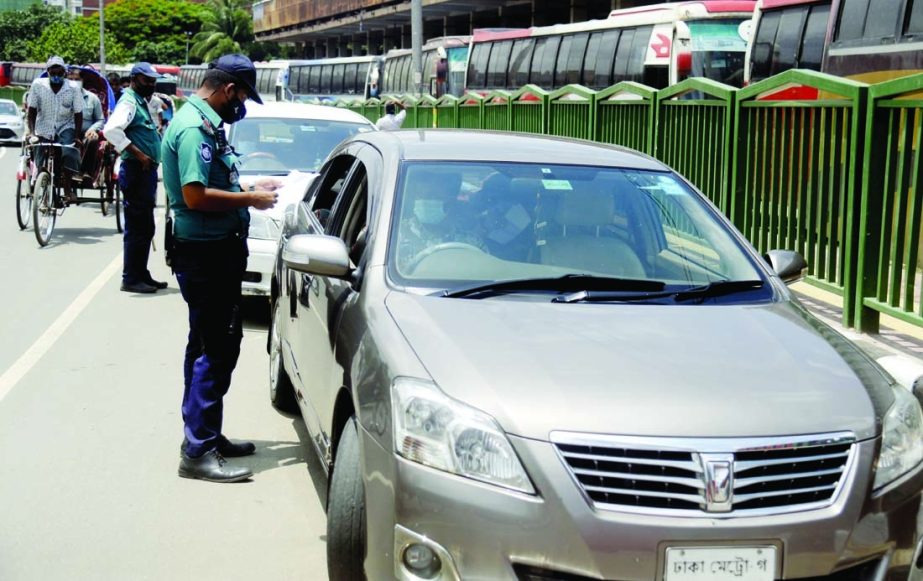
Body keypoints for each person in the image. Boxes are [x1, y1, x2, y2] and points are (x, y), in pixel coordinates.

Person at [160, 53, 279, 483]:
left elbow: (213, 184)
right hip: (207, 254)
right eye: (243, 95)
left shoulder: (203, 122)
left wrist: (247, 188)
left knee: (207, 344)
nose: (242, 104)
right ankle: (197, 451)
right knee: (217, 346)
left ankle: (205, 434)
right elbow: (194, 196)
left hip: (213, 250)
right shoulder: (195, 128)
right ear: (229, 90)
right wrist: (249, 200)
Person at [103, 62, 165, 294]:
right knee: (138, 227)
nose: (151, 84)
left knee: (146, 226)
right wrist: (139, 154)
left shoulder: (141, 102)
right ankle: (131, 277)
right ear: (134, 79)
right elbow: (111, 130)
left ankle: (141, 273)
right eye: (147, 80)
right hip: (136, 170)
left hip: (145, 172)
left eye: (153, 81)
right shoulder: (129, 101)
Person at [395, 167, 486, 272]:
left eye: (436, 197)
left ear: (450, 202)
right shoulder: (394, 238)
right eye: (425, 196)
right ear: (413, 198)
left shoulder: (470, 242)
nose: (427, 202)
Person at [27, 55, 83, 203]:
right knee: (39, 150)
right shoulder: (38, 85)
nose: (56, 76)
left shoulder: (73, 88)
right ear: (48, 72)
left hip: (66, 126)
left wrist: (77, 136)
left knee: (68, 152)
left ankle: (67, 188)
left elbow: (78, 113)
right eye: (53, 73)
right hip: (43, 126)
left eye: (59, 73)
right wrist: (32, 132)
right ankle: (40, 179)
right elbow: (31, 111)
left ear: (64, 73)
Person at [68, 67, 105, 180]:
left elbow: (100, 120)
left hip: (85, 133)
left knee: (93, 139)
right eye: (71, 79)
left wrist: (92, 129)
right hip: (67, 131)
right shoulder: (61, 97)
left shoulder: (93, 98)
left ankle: (84, 172)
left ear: (82, 80)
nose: (74, 82)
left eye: (77, 79)